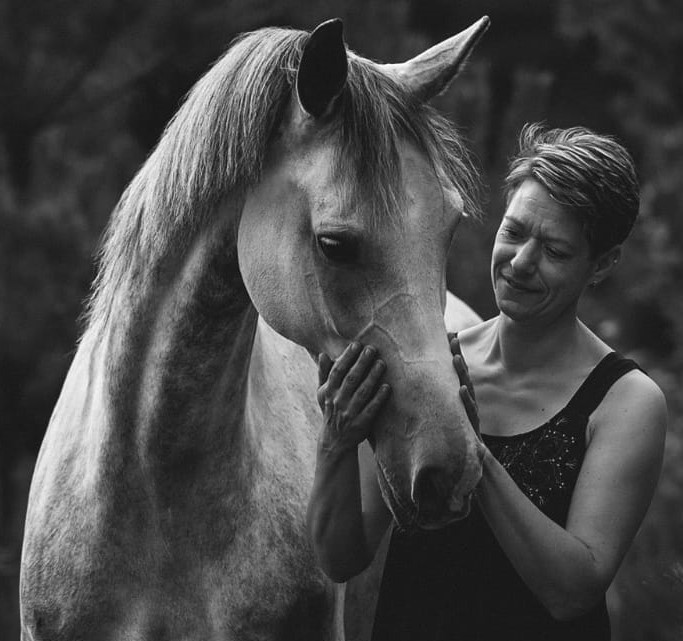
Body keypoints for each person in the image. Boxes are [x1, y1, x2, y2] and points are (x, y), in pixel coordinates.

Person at [306, 123, 668, 640]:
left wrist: (470, 449)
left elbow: (573, 592)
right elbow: (341, 557)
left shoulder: (626, 402)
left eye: (556, 251)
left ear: (602, 265)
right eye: (514, 232)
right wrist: (336, 442)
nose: (521, 263)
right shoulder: (428, 364)